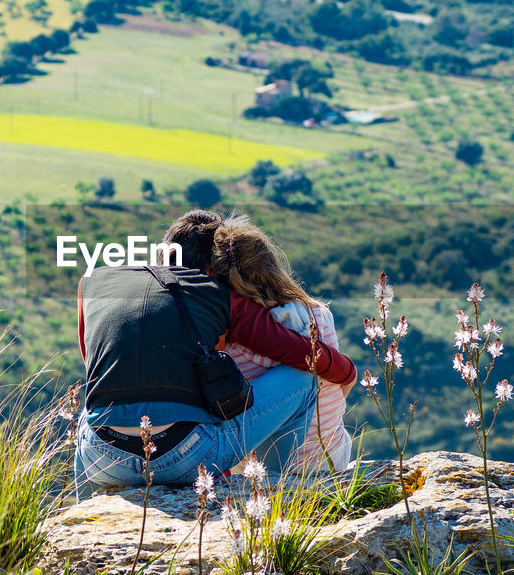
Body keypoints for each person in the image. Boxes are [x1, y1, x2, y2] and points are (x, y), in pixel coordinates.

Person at [73, 210, 356, 493]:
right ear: (214, 266)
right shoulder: (216, 293)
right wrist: (348, 372)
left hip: (101, 457)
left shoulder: (94, 284)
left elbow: (94, 366)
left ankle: (79, 514)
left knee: (93, 404)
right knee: (303, 379)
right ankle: (282, 492)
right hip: (184, 458)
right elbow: (301, 353)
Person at [208, 218, 352, 473]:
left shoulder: (234, 342)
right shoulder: (320, 314)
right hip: (333, 461)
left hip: (272, 474)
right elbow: (342, 386)